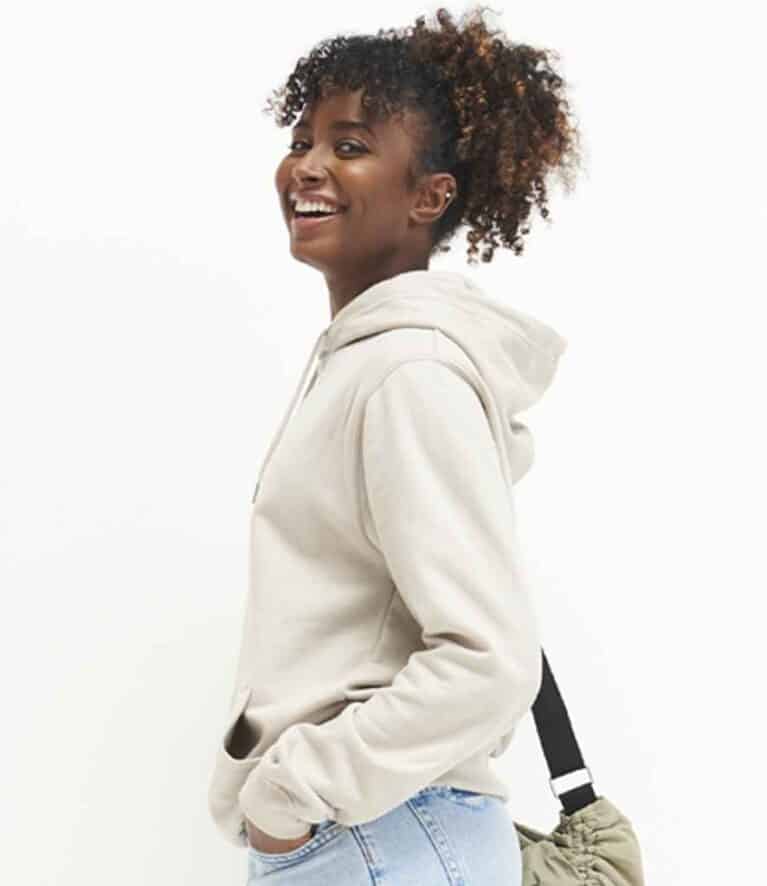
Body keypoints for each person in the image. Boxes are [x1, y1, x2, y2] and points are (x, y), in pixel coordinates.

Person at [207, 6, 583, 883]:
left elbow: (490, 661)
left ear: (429, 197)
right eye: (301, 140)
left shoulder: (407, 372)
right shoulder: (368, 361)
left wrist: (290, 795)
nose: (307, 165)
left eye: (349, 146)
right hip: (377, 829)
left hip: (381, 832)